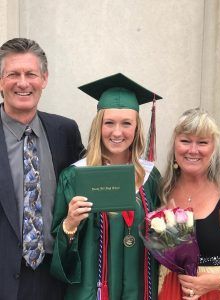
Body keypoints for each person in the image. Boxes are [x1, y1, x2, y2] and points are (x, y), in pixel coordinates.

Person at [50, 73, 162, 299]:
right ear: (98, 125)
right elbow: (59, 250)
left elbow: (160, 244)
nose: (117, 132)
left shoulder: (151, 177)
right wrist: (70, 224)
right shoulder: (74, 176)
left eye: (126, 123)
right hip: (91, 293)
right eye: (109, 122)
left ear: (137, 128)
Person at [0, 37, 84, 300]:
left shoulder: (65, 132)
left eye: (31, 74)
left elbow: (83, 185)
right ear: (1, 81)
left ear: (44, 79)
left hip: (53, 277)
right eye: (13, 74)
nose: (23, 83)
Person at [158, 108, 220, 299]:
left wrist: (219, 280)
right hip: (169, 291)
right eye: (185, 141)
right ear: (175, 145)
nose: (193, 150)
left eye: (202, 142)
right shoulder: (161, 191)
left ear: (213, 148)